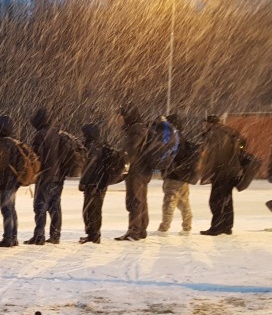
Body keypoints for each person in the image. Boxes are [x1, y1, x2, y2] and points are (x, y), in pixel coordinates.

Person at [198, 114, 244, 236]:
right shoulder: (230, 131)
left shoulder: (214, 134)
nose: (203, 126)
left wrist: (209, 170)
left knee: (216, 200)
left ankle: (217, 227)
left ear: (210, 123)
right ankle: (227, 226)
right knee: (227, 199)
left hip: (221, 171)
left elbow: (212, 155)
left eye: (205, 124)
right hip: (232, 170)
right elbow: (243, 144)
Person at [25, 108, 65, 245]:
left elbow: (37, 157)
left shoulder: (40, 135)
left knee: (40, 206)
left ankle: (39, 235)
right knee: (55, 206)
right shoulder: (57, 133)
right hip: (58, 176)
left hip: (45, 176)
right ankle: (55, 235)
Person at [115, 104, 151, 241]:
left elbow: (130, 151)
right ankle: (141, 229)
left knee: (134, 199)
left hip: (136, 170)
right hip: (142, 170)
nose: (120, 118)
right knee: (141, 199)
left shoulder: (135, 130)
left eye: (122, 115)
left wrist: (120, 157)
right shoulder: (141, 129)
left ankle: (135, 230)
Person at [157, 113, 196, 235]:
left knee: (170, 201)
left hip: (174, 175)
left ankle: (164, 227)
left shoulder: (173, 139)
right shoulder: (181, 138)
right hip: (182, 176)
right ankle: (187, 226)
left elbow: (171, 157)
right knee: (184, 202)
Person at [0, 114, 22, 247]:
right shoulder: (14, 142)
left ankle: (8, 237)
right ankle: (13, 236)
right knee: (11, 209)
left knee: (6, 209)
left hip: (6, 182)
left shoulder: (3, 143)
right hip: (14, 181)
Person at [77, 122, 112, 244]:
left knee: (90, 209)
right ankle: (94, 233)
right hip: (101, 182)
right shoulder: (101, 144)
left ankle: (94, 234)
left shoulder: (92, 147)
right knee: (95, 209)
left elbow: (89, 168)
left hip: (93, 183)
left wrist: (83, 183)